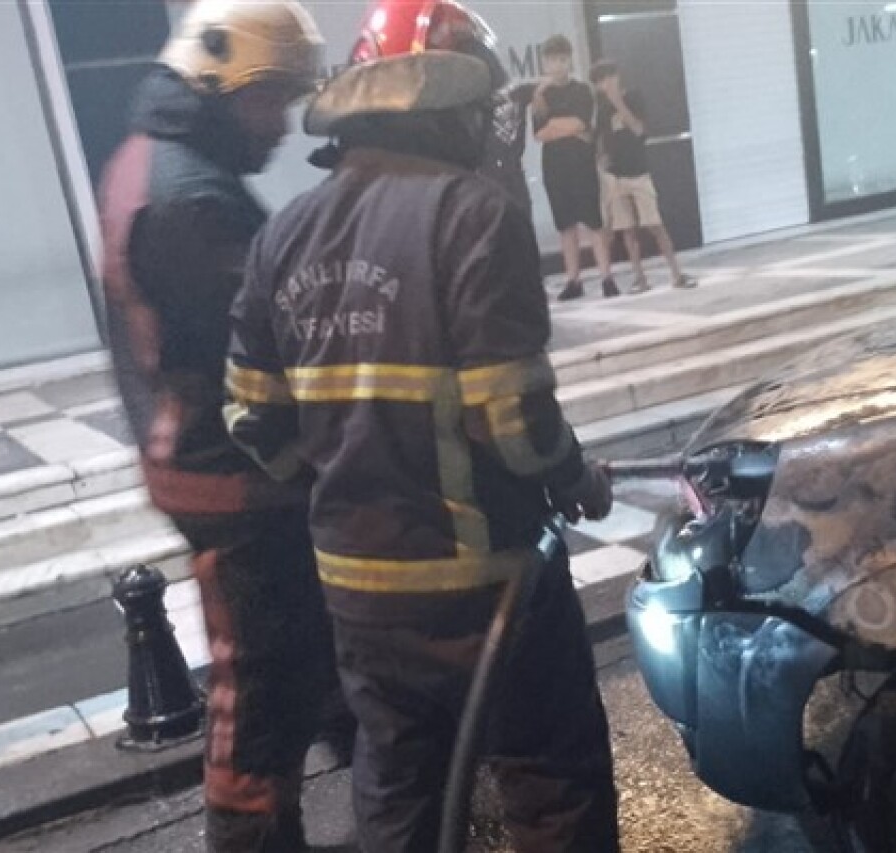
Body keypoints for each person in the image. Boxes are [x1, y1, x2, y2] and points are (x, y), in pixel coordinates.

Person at [223, 2, 622, 850]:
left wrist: (346, 479)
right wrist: (577, 478)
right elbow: (512, 420)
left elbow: (252, 419)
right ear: (451, 104)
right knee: (553, 780)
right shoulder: (474, 214)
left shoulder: (282, 234)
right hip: (489, 585)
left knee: (400, 787)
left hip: (359, 591)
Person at [97, 3, 341, 850]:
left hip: (204, 461)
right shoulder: (193, 199)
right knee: (262, 681)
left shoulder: (151, 159)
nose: (281, 124)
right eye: (270, 99)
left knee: (307, 650)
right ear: (218, 80)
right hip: (233, 478)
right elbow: (274, 340)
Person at [590, 59, 696, 294]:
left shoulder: (634, 97)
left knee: (655, 224)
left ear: (618, 76)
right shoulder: (602, 110)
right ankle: (640, 278)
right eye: (600, 81)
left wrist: (618, 102)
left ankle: (677, 273)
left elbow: (639, 130)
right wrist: (601, 158)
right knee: (627, 230)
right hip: (616, 176)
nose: (606, 84)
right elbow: (600, 138)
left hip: (639, 172)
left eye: (609, 77)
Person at [533, 35, 619, 301]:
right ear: (544, 63)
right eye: (551, 60)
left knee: (594, 222)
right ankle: (573, 280)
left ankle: (607, 278)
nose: (557, 65)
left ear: (569, 60)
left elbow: (582, 123)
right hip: (554, 167)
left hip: (582, 165)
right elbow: (540, 133)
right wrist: (566, 127)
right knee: (565, 225)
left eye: (561, 59)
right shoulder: (541, 95)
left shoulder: (582, 90)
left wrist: (558, 125)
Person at [482, 80, 538, 214]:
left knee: (521, 208)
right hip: (489, 167)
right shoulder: (477, 99)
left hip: (513, 165)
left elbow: (546, 84)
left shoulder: (518, 92)